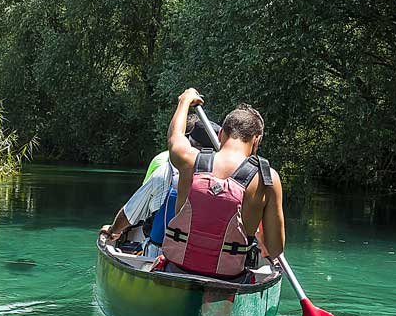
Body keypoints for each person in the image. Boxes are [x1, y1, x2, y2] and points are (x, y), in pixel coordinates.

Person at [161, 88, 284, 278]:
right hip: (228, 278)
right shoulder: (267, 179)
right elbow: (275, 249)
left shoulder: (189, 159)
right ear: (257, 141)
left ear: (220, 135)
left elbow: (174, 136)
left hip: (177, 270)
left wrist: (184, 101)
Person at [100, 114, 216, 258]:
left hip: (161, 254)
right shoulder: (226, 178)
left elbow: (130, 213)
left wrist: (113, 231)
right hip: (207, 258)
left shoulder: (165, 171)